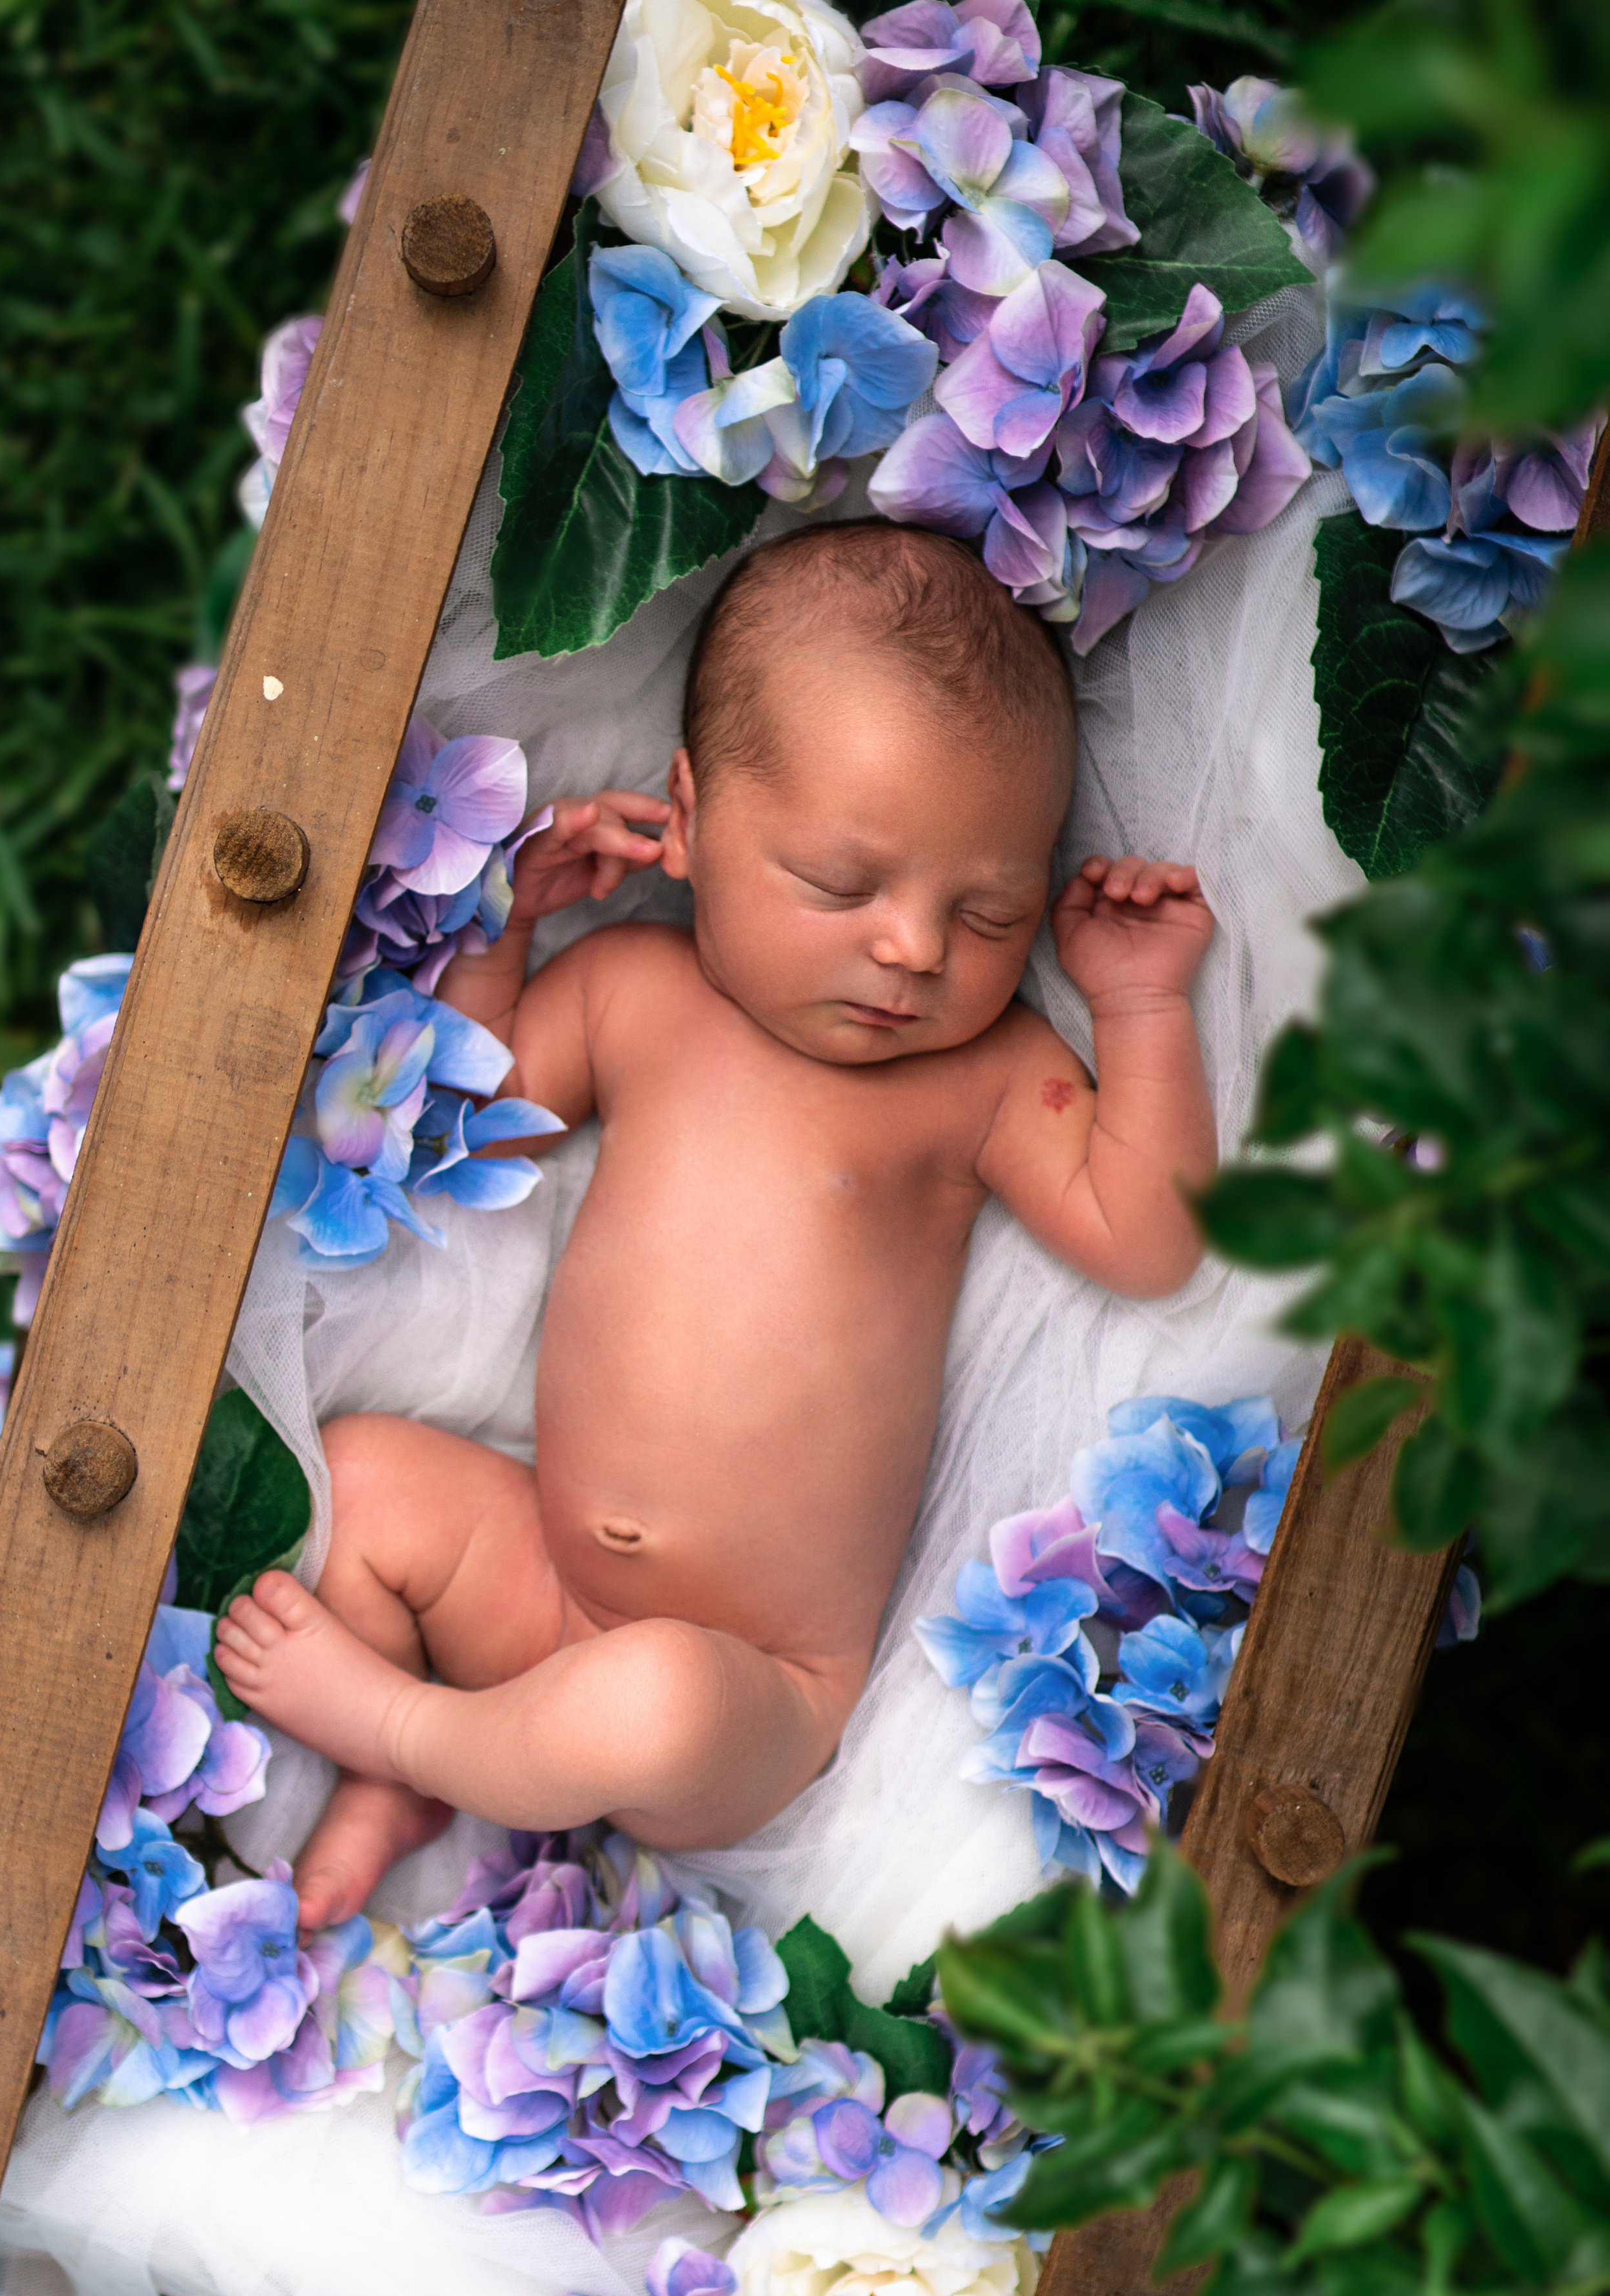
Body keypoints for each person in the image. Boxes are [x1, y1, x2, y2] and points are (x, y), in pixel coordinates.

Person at [214, 521, 1217, 1931]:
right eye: (840, 885)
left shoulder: (976, 1083)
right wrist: (502, 935)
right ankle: (414, 1784)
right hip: (542, 1581)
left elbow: (1149, 1237)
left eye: (986, 913)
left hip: (746, 1690)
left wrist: (1137, 1005)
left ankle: (399, 1733)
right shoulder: (633, 992)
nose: (914, 949)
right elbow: (472, 1127)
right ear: (684, 820)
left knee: (658, 1696)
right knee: (367, 1483)